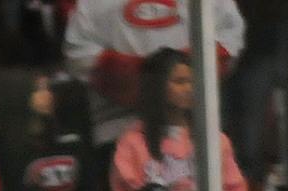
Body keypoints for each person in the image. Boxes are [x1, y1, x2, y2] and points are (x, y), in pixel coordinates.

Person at [64, 0, 245, 147]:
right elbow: (79, 53)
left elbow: (229, 38)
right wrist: (147, 80)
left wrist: (179, 75)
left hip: (193, 125)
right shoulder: (92, 5)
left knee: (195, 187)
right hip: (119, 125)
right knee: (127, 187)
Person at [107, 48, 247, 191]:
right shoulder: (133, 142)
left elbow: (235, 190)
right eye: (180, 82)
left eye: (191, 81)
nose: (188, 88)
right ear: (157, 86)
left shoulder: (214, 140)